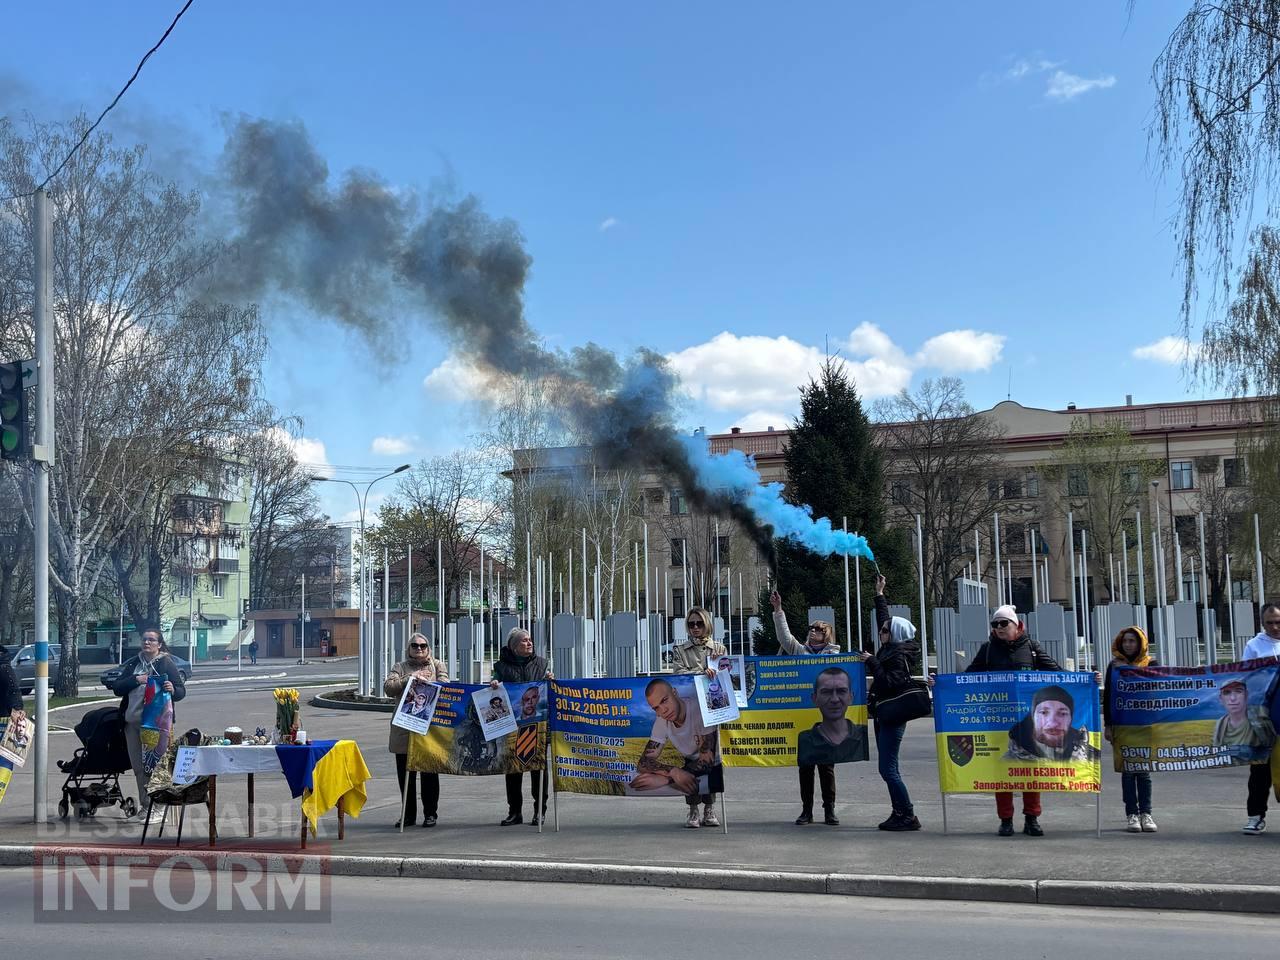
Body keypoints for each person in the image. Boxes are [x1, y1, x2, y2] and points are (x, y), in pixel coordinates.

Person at [952, 604, 1099, 838]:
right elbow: (969, 678)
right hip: (996, 718)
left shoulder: (1031, 647)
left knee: (1030, 770)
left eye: (1003, 623)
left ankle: (1032, 818)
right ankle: (1006, 819)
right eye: (995, 624)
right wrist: (941, 686)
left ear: (1016, 625)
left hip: (1027, 720)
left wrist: (1086, 680)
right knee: (1002, 772)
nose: (999, 628)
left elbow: (1057, 673)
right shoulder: (988, 649)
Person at [770, 589, 842, 825]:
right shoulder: (800, 651)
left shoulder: (835, 657)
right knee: (806, 766)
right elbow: (784, 637)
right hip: (804, 719)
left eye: (819, 630)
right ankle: (807, 810)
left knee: (826, 767)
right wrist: (778, 610)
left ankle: (829, 810)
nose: (813, 632)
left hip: (826, 719)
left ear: (827, 635)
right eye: (811, 629)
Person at [109, 628, 186, 825]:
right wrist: (137, 679)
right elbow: (117, 687)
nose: (147, 643)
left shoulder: (166, 662)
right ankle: (146, 805)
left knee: (155, 765)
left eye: (152, 640)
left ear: (159, 644)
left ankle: (158, 807)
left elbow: (180, 691)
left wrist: (172, 688)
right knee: (139, 767)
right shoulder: (135, 663)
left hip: (156, 725)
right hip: (132, 723)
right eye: (144, 639)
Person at [865, 575, 923, 832]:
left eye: (885, 631)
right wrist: (880, 594)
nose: (881, 632)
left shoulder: (897, 656)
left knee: (888, 769)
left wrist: (872, 662)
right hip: (883, 713)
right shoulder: (893, 648)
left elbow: (889, 682)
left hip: (892, 715)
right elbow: (885, 619)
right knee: (889, 768)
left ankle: (907, 814)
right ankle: (899, 812)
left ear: (895, 634)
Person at [669, 607, 726, 828]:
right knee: (689, 761)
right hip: (689, 713)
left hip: (711, 713)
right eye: (691, 624)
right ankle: (693, 810)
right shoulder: (680, 650)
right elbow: (678, 675)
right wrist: (702, 672)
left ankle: (709, 808)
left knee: (711, 761)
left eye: (699, 624)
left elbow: (726, 676)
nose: (695, 628)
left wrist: (716, 672)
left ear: (707, 625)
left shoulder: (719, 648)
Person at [384, 633, 447, 828]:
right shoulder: (400, 667)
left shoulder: (437, 665)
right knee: (406, 776)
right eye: (415, 646)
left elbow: (446, 685)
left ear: (428, 648)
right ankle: (408, 815)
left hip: (428, 729)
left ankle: (430, 813)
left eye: (423, 645)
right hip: (404, 728)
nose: (419, 649)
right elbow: (389, 687)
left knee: (429, 774)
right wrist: (409, 679)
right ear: (409, 648)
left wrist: (429, 683)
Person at [629, 678, 719, 814]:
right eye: (656, 708)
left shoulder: (699, 710)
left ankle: (709, 810)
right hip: (690, 759)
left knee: (705, 778)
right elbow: (643, 763)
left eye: (664, 700)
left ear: (675, 692)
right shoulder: (662, 721)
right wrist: (673, 772)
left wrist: (666, 779)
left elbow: (707, 761)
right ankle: (693, 812)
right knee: (687, 780)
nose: (663, 710)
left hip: (714, 762)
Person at [491, 628, 553, 826]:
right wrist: (493, 684)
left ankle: (539, 811)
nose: (529, 643)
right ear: (514, 647)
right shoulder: (501, 667)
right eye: (524, 641)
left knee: (539, 769)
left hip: (538, 725)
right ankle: (514, 812)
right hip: (512, 726)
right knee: (513, 769)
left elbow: (551, 693)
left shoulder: (542, 665)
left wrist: (551, 682)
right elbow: (492, 691)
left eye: (530, 640)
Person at [1103, 626, 1158, 833]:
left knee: (1143, 772)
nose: (1128, 645)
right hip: (1123, 724)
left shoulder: (1152, 664)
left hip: (1145, 725)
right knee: (1127, 772)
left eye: (1132, 641)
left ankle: (1146, 813)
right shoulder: (1114, 666)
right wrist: (1108, 725)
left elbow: (1160, 690)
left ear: (1141, 643)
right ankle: (1131, 815)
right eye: (1125, 641)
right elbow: (1108, 696)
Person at [1240, 603, 1280, 835]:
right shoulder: (1254, 646)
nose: (1275, 627)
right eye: (1269, 623)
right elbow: (1245, 678)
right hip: (1262, 719)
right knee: (1260, 771)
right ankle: (1255, 816)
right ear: (1262, 623)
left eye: (1278, 622)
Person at [1004, 685, 1101, 762]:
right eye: (1044, 713)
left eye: (1062, 714)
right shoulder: (1011, 761)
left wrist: (1093, 678)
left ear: (1071, 719)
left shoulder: (1089, 757)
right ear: (1033, 717)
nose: (1053, 723)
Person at [796, 667, 868, 768]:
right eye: (826, 692)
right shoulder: (805, 740)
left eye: (841, 691)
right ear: (814, 698)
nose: (834, 699)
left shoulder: (863, 734)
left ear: (851, 697)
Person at [0, 646, 26, 755]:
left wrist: (16, 709)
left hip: (2, 718)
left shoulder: (3, 668)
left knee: (4, 758)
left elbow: (12, 689)